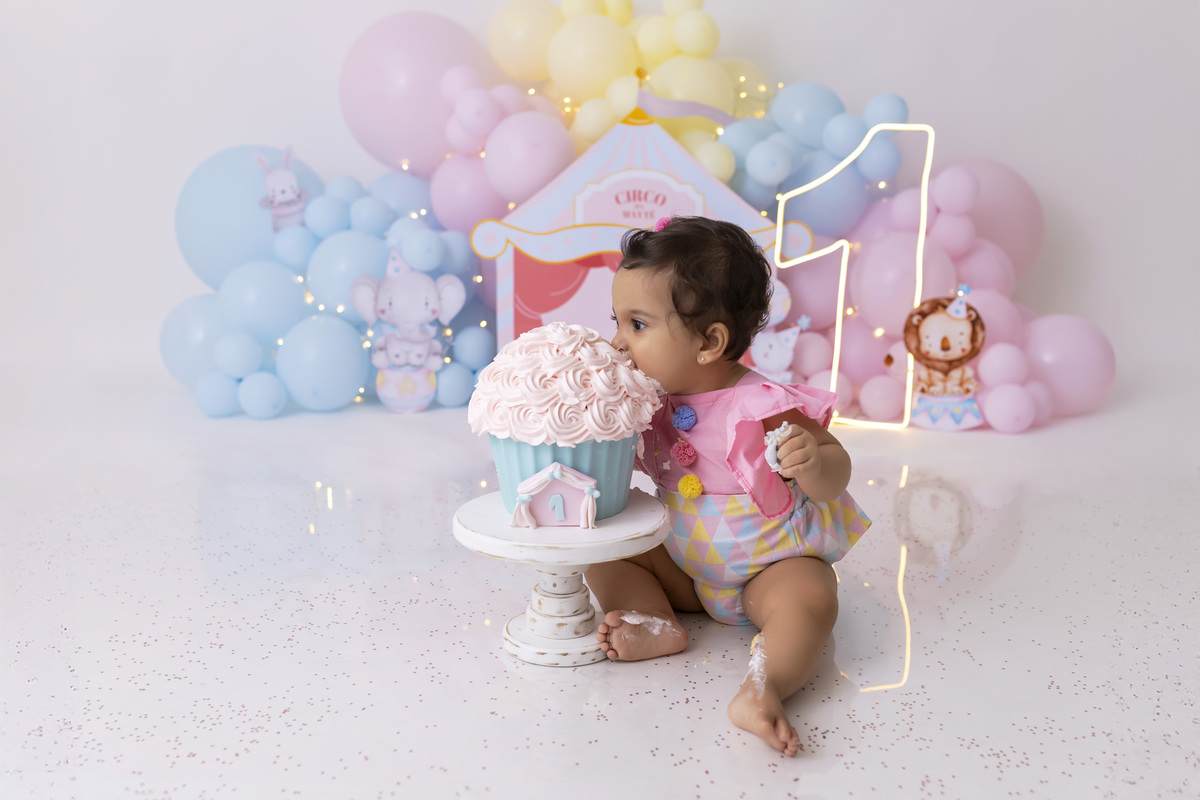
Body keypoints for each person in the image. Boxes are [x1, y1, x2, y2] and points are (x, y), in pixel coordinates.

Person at [587, 215, 871, 757]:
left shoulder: (760, 404)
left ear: (708, 342)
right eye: (618, 322)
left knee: (810, 596)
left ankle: (764, 685)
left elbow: (837, 473)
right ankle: (656, 622)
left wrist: (813, 460)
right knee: (606, 550)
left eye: (638, 325)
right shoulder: (652, 398)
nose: (619, 342)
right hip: (684, 567)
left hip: (768, 569)